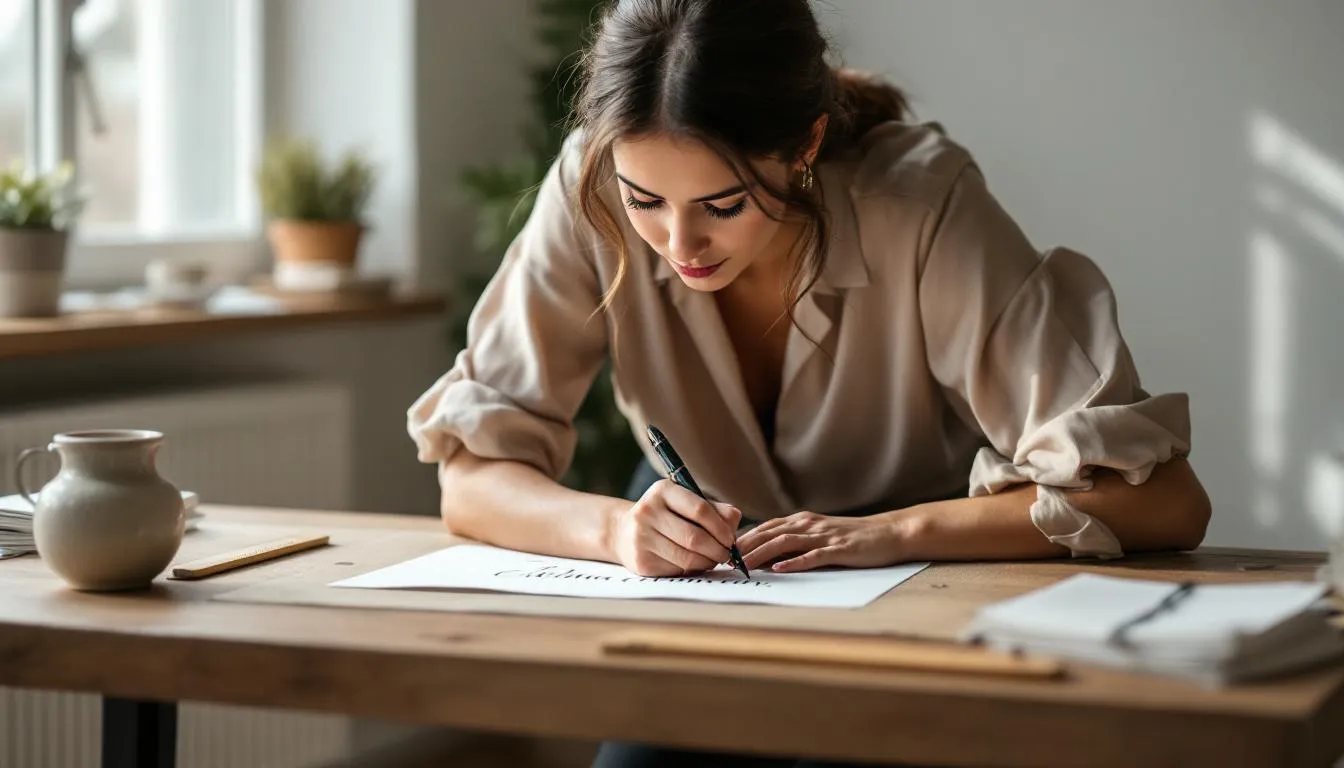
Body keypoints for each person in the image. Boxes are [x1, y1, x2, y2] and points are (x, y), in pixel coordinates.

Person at [409, 0, 1211, 765]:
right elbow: (472, 480)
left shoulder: (920, 204)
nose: (679, 242)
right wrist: (618, 532)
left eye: (723, 203)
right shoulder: (591, 184)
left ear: (805, 144)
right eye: (644, 200)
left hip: (924, 572)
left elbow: (1165, 500)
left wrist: (891, 533)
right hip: (708, 571)